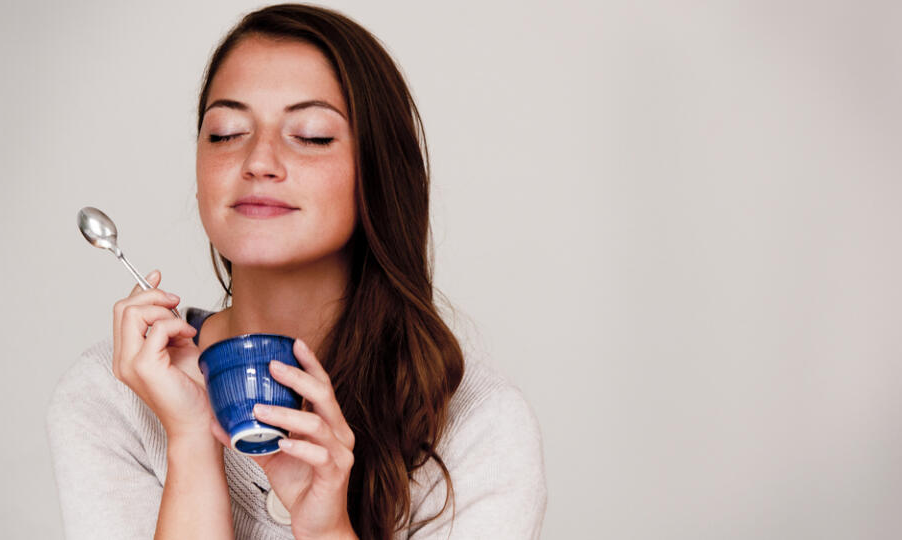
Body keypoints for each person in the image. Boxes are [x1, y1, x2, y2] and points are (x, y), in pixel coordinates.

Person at [46, 4, 547, 539]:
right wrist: (191, 440)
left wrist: (327, 529)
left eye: (310, 135)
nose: (258, 160)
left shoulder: (476, 424)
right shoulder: (113, 395)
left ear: (379, 175)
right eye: (226, 132)